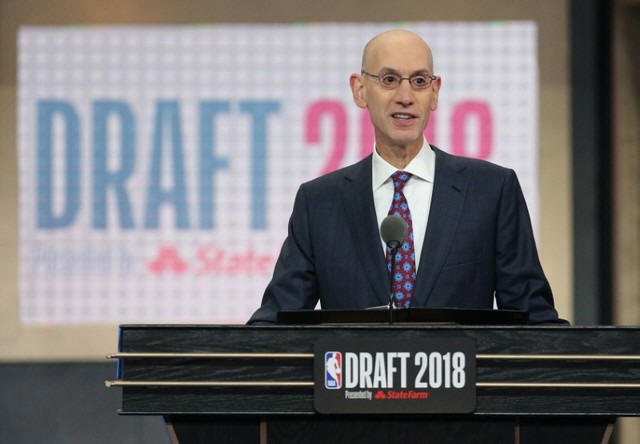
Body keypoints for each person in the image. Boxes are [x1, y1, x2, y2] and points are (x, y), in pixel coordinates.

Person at [248, 29, 563, 324]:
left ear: (434, 93)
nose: (406, 96)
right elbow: (276, 321)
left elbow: (533, 319)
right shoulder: (319, 202)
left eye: (419, 81)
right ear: (360, 90)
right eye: (389, 79)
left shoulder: (491, 190)